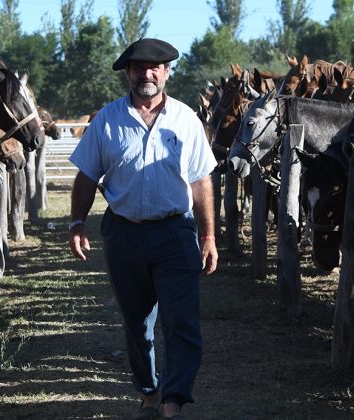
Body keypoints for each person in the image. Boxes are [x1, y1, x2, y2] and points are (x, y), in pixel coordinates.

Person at [67, 38, 218, 420]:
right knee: (137, 322)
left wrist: (209, 235)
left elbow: (201, 182)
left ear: (166, 72)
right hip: (124, 235)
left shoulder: (186, 120)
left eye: (155, 67)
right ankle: (149, 391)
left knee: (181, 320)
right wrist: (77, 222)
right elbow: (86, 176)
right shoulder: (107, 120)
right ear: (128, 74)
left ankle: (173, 403)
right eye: (139, 67)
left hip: (175, 234)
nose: (147, 74)